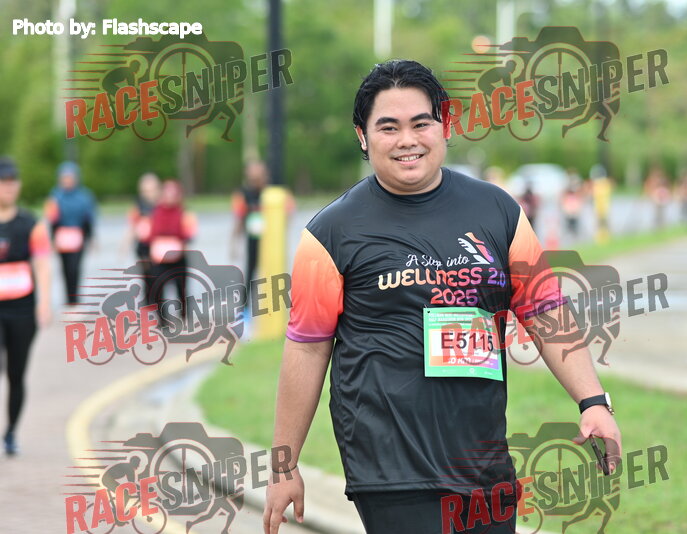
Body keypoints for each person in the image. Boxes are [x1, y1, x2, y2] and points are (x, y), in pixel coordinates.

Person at [264, 60, 621, 534]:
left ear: (445, 126)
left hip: (484, 464)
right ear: (362, 137)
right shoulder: (331, 233)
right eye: (388, 127)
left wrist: (593, 401)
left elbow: (545, 310)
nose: (407, 140)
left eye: (421, 123)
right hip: (389, 468)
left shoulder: (498, 211)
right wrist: (284, 465)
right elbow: (308, 348)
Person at [0, 157, 52, 455]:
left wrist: (44, 302)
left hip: (22, 310)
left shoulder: (31, 224)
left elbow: (42, 264)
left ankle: (10, 433)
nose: (9, 187)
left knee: (16, 375)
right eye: (4, 182)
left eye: (13, 182)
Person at [146, 180, 197, 327]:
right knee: (158, 288)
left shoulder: (183, 213)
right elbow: (150, 233)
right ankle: (162, 318)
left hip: (178, 256)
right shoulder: (155, 212)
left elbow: (189, 233)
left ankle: (184, 315)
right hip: (159, 257)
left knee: (181, 288)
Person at [45, 161, 96, 305]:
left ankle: (75, 300)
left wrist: (91, 238)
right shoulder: (55, 196)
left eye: (70, 177)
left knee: (75, 268)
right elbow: (52, 220)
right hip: (61, 238)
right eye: (64, 178)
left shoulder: (84, 196)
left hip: (78, 237)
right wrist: (52, 239)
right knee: (65, 269)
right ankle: (68, 300)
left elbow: (88, 219)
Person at [231, 161, 267, 303]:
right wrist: (234, 244)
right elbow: (239, 219)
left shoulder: (271, 192)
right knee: (250, 272)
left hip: (269, 239)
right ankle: (244, 307)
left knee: (270, 272)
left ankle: (270, 305)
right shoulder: (243, 193)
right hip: (252, 238)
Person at [124, 172, 160, 305]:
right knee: (148, 275)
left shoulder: (162, 205)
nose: (148, 194)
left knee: (159, 276)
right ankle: (150, 303)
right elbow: (131, 227)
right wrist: (124, 246)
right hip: (143, 247)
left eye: (151, 190)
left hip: (159, 247)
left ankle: (158, 303)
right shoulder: (138, 207)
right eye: (145, 191)